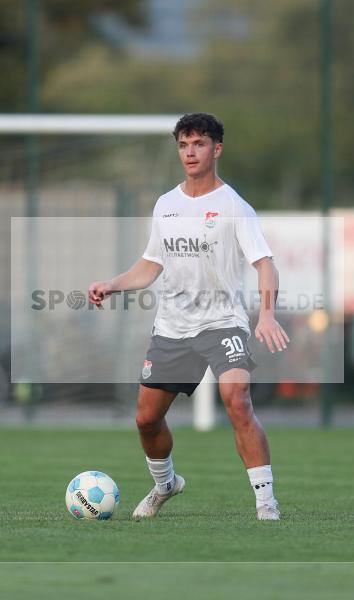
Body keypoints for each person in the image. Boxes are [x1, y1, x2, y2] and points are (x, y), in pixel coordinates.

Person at [88, 113, 289, 521]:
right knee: (146, 419)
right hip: (173, 328)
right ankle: (166, 485)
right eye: (183, 144)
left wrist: (266, 314)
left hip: (222, 323)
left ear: (217, 149)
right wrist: (113, 283)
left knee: (237, 401)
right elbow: (149, 266)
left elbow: (265, 264)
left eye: (199, 143)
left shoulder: (234, 205)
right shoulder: (167, 204)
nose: (190, 152)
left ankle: (266, 502)